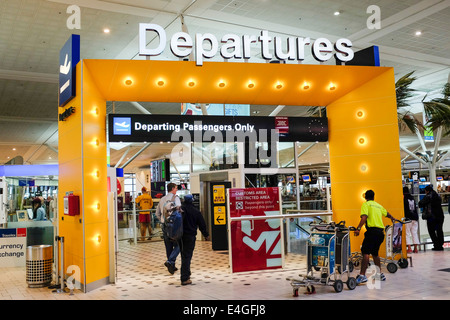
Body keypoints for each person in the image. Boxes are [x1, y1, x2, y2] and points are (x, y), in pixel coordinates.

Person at [354, 190, 395, 284]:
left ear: (365, 197)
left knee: (365, 252)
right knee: (375, 253)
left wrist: (358, 229)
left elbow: (364, 217)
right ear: (373, 197)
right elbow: (387, 213)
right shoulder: (378, 205)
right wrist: (392, 218)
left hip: (372, 232)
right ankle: (379, 274)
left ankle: (362, 275)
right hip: (380, 233)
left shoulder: (366, 205)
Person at [179, 194, 210, 285]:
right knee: (187, 256)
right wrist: (206, 235)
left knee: (184, 256)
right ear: (192, 200)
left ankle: (187, 274)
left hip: (180, 236)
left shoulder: (180, 210)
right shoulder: (195, 211)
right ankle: (184, 278)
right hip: (190, 236)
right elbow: (202, 224)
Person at [155, 183, 181, 274]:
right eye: (176, 188)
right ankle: (170, 261)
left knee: (168, 245)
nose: (177, 190)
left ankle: (171, 266)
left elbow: (157, 213)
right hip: (174, 225)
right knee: (179, 244)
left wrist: (163, 220)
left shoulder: (162, 199)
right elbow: (179, 211)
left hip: (164, 226)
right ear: (173, 189)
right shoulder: (176, 198)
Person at [419, 185, 444, 251]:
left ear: (427, 191)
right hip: (440, 216)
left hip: (432, 217)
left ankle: (436, 245)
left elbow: (420, 204)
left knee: (431, 231)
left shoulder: (428, 196)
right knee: (439, 230)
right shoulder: (438, 196)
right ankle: (440, 244)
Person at [403, 186, 419, 253]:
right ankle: (415, 248)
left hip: (408, 218)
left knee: (407, 233)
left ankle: (409, 248)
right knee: (414, 233)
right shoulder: (412, 198)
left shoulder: (404, 199)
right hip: (415, 217)